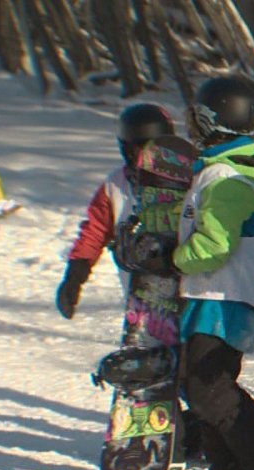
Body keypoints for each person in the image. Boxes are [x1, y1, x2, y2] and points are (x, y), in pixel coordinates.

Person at [132, 77, 254, 470]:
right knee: (197, 381)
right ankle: (228, 465)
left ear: (213, 121)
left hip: (228, 296)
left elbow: (215, 245)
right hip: (215, 295)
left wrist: (172, 258)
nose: (192, 128)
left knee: (209, 384)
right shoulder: (222, 171)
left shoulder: (226, 180)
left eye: (198, 119)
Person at [55, 103, 175, 319]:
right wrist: (74, 275)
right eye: (139, 150)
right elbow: (95, 231)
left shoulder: (190, 180)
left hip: (187, 289)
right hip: (140, 296)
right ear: (127, 150)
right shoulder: (116, 185)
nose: (146, 158)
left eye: (155, 150)